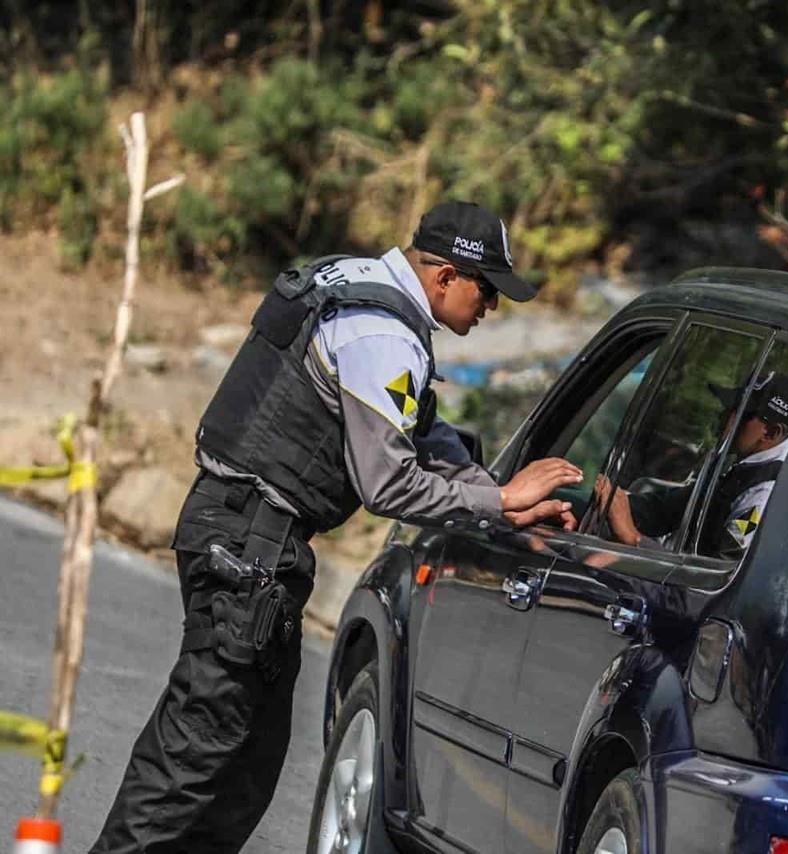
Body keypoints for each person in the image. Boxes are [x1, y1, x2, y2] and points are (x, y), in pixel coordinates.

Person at [89, 200, 582, 853]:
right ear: (445, 276)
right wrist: (502, 501)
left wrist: (498, 494)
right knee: (199, 744)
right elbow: (388, 482)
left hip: (245, 533)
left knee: (247, 758)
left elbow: (419, 430)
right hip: (250, 544)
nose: (493, 305)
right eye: (487, 288)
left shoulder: (353, 284)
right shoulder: (385, 337)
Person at [594, 371, 788, 561]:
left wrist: (634, 539)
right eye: (730, 408)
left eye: (740, 413)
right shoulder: (740, 463)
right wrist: (608, 503)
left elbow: (717, 574)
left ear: (771, 433)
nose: (724, 417)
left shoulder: (764, 494)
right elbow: (665, 510)